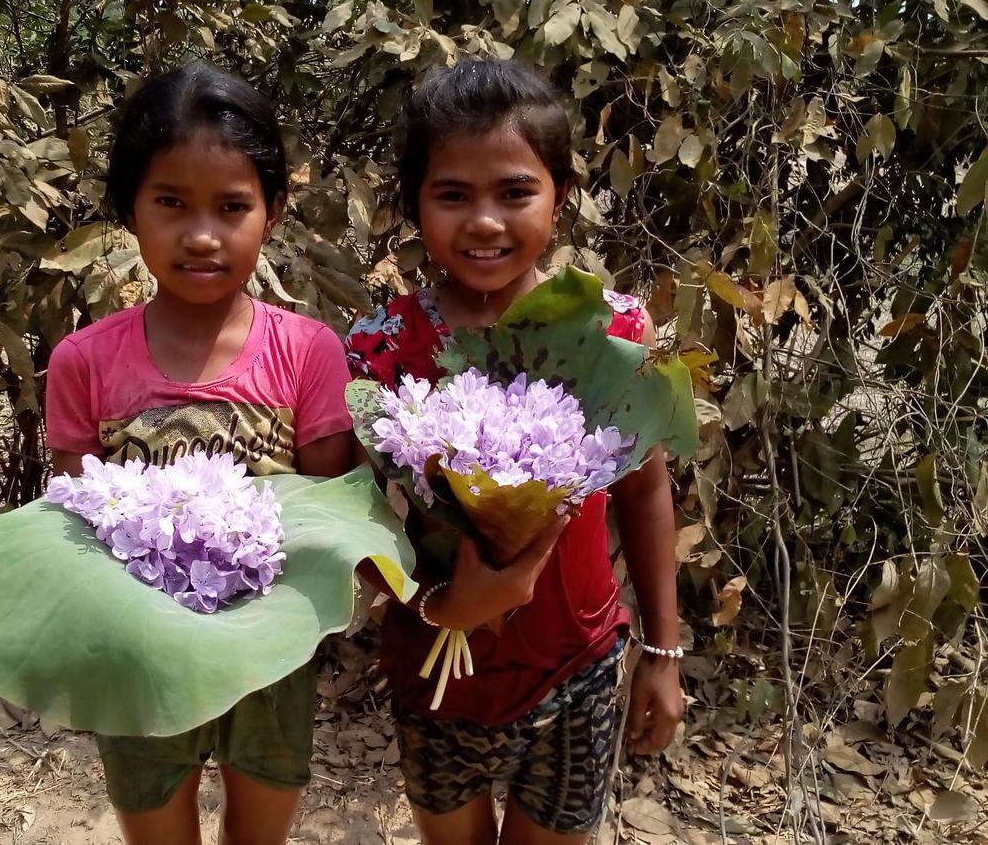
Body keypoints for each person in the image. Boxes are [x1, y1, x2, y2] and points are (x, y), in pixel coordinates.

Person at [345, 58, 684, 845]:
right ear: (415, 204)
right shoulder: (382, 348)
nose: (485, 222)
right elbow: (354, 521)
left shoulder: (616, 331)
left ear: (560, 199)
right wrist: (441, 607)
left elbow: (643, 491)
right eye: (452, 195)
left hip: (581, 667)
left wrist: (663, 652)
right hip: (434, 669)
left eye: (516, 192)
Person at [45, 62, 354, 845]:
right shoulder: (84, 362)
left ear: (274, 211)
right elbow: (71, 529)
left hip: (270, 663)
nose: (203, 235)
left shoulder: (308, 353)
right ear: (129, 210)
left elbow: (336, 517)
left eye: (233, 206)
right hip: (138, 662)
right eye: (171, 203)